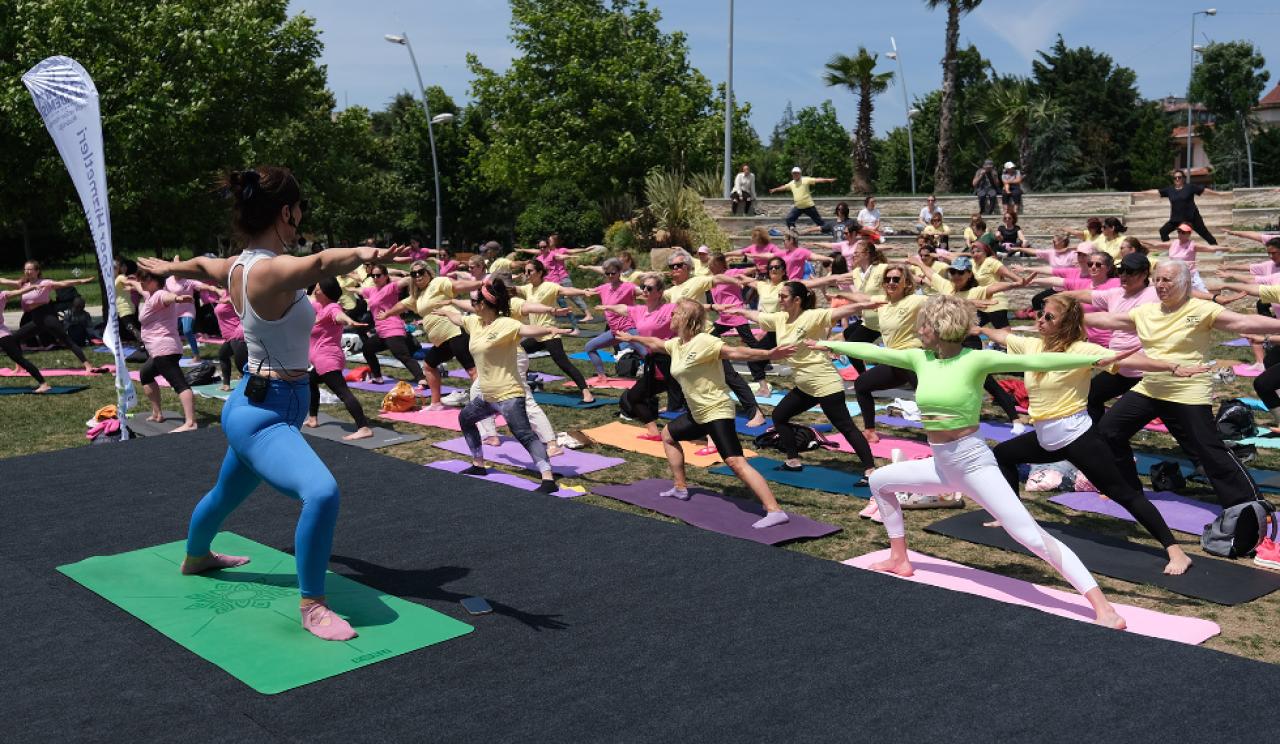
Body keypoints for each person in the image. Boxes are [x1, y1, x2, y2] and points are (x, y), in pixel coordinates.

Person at [144, 166, 411, 642]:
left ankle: (196, 557)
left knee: (225, 495)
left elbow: (205, 265)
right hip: (263, 415)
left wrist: (170, 268)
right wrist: (367, 253)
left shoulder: (238, 265)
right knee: (322, 492)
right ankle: (312, 604)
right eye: (300, 210)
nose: (301, 218)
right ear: (286, 212)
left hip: (255, 403)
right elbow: (321, 263)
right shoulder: (268, 269)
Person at [820, 294, 1128, 628]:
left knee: (1030, 535)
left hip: (972, 463)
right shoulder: (920, 359)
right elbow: (875, 351)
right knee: (881, 482)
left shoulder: (975, 360)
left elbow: (1041, 363)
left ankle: (1103, 607)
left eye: (924, 323)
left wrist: (1103, 358)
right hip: (941, 464)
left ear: (939, 328)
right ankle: (899, 558)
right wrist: (824, 343)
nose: (919, 329)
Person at [984, 295, 1198, 575]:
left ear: (1067, 323)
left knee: (1123, 493)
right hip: (1045, 438)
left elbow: (1127, 360)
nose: (1041, 320)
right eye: (1041, 314)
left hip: (1077, 439)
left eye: (1049, 317)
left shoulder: (1080, 349)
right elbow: (1002, 336)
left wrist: (1171, 366)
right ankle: (1011, 517)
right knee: (1002, 455)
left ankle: (1176, 551)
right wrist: (977, 329)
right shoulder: (1034, 345)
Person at [1088, 261, 1280, 510]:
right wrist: (1069, 316)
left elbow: (1243, 323)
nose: (1160, 285)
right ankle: (1129, 491)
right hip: (1152, 387)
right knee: (1109, 431)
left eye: (1167, 280)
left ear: (1185, 283)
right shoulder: (1146, 312)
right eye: (1157, 280)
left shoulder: (1201, 310)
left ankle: (1248, 503)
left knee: (1209, 449)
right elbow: (1110, 320)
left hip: (1187, 390)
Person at [619, 300, 798, 528]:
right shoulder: (678, 344)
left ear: (686, 318)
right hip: (698, 413)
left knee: (735, 462)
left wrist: (769, 353)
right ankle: (681, 487)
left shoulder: (705, 342)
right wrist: (632, 338)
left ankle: (774, 510)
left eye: (675, 313)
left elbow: (735, 351)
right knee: (668, 435)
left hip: (716, 410)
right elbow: (655, 343)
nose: (670, 316)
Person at [721, 283, 878, 478]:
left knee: (845, 426)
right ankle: (793, 461)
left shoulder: (811, 316)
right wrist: (739, 310)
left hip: (824, 383)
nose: (780, 300)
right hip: (805, 386)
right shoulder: (780, 319)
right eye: (779, 295)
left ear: (797, 300)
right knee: (779, 416)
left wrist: (868, 304)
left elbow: (842, 310)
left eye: (784, 296)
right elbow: (757, 316)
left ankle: (871, 470)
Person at [442, 280, 574, 494]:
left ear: (484, 304)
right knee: (465, 418)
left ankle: (548, 478)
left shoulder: (505, 324)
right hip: (487, 395)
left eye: (473, 301)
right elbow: (458, 318)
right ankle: (478, 465)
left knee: (524, 434)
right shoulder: (474, 322)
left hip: (509, 394)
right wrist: (444, 312)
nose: (471, 304)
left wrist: (551, 328)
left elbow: (527, 329)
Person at [908, 255, 1029, 425]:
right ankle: (945, 409)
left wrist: (1016, 283)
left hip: (969, 341)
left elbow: (993, 287)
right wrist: (918, 263)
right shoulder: (947, 286)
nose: (956, 275)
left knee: (986, 381)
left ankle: (1014, 417)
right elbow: (931, 274)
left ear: (969, 274)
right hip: (948, 342)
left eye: (960, 272)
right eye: (953, 271)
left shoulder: (974, 291)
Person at [1057, 253, 1160, 422]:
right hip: (1119, 368)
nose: (1123, 275)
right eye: (1121, 270)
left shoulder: (1154, 295)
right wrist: (1060, 296)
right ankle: (1095, 433)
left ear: (1143, 275)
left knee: (1120, 422)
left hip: (1144, 372)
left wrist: (1215, 297)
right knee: (1090, 396)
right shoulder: (1116, 293)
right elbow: (1087, 295)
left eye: (1129, 271)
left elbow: (1185, 294)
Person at [836, 264, 928, 443]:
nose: (891, 283)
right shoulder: (882, 302)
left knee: (927, 397)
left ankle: (946, 433)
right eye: (887, 279)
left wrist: (975, 302)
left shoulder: (915, 300)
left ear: (906, 283)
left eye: (896, 279)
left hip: (912, 359)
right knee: (862, 384)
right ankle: (869, 431)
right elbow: (861, 297)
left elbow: (943, 300)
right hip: (894, 361)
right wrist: (840, 294)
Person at [376, 260, 485, 409]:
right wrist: (387, 314)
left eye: (421, 272)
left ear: (428, 273)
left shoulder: (438, 282)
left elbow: (457, 286)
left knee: (472, 370)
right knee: (428, 366)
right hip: (442, 341)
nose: (418, 276)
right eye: (414, 274)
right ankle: (436, 403)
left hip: (455, 331)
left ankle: (480, 405)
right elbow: (402, 305)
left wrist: (481, 284)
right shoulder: (418, 296)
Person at [604, 276, 678, 441]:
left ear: (660, 292)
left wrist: (714, 306)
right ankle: (653, 431)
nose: (644, 290)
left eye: (649, 288)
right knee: (635, 396)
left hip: (671, 359)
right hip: (654, 361)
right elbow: (623, 308)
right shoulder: (639, 310)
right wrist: (607, 306)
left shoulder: (670, 308)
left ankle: (712, 438)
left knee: (691, 398)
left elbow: (692, 311)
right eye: (643, 287)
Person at [126, 268, 197, 432]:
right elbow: (139, 287)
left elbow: (168, 297)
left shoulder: (159, 295)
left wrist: (178, 298)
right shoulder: (150, 295)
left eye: (144, 279)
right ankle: (157, 414)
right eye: (140, 279)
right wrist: (129, 282)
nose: (141, 282)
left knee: (179, 384)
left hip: (164, 349)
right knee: (145, 374)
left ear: (154, 281)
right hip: (159, 349)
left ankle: (191, 422)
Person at [516, 259, 595, 402]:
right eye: (525, 271)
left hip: (549, 334)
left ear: (540, 273)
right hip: (535, 334)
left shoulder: (549, 286)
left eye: (530, 271)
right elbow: (510, 289)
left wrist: (583, 291)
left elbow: (567, 291)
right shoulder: (527, 288)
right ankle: (528, 382)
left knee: (563, 363)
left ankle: (585, 391)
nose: (526, 274)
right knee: (518, 352)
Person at [304, 278, 373, 441]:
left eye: (319, 288)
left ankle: (363, 427)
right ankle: (313, 418)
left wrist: (350, 321)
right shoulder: (319, 306)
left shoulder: (331, 307)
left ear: (327, 293)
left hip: (327, 360)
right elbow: (304, 301)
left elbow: (339, 315)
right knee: (310, 381)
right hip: (324, 360)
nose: (315, 290)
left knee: (343, 393)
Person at [0, 261, 99, 373]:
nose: (27, 272)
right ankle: (19, 367)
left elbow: (63, 283)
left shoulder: (44, 283)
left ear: (37, 271)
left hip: (47, 316)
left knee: (66, 340)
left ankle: (88, 365)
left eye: (30, 269)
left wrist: (81, 281)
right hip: (35, 319)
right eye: (25, 269)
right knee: (15, 339)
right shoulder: (23, 284)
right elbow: (3, 280)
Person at [358, 264, 429, 390]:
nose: (375, 278)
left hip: (393, 329)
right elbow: (358, 290)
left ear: (386, 276)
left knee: (403, 356)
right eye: (373, 275)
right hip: (381, 333)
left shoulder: (391, 287)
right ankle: (378, 377)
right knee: (367, 350)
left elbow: (406, 280)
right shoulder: (372, 290)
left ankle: (422, 379)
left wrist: (415, 274)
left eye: (378, 275)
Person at [582, 257, 642, 382]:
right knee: (590, 347)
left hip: (628, 328)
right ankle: (601, 376)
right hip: (614, 331)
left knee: (647, 353)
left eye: (613, 273)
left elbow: (644, 292)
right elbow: (587, 291)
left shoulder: (628, 287)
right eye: (607, 273)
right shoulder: (604, 287)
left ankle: (661, 376)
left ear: (620, 272)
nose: (610, 276)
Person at [517, 235, 594, 325]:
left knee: (573, 297)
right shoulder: (540, 257)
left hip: (560, 279)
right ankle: (550, 321)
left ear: (551, 243)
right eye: (540, 247)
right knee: (556, 302)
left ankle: (582, 318)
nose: (542, 248)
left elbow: (563, 255)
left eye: (545, 245)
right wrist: (523, 250)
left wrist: (579, 253)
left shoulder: (556, 252)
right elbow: (534, 251)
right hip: (548, 283)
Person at [1137, 169, 1226, 244]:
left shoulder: (1190, 187)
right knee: (1163, 231)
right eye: (1175, 178)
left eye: (1179, 177)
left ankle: (1217, 249)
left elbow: (1204, 191)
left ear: (1183, 178)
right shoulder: (1169, 190)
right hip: (1176, 219)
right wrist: (1141, 193)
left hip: (1192, 218)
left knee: (1204, 233)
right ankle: (1170, 249)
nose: (1177, 179)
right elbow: (1156, 192)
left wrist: (1219, 194)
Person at [1140, 223, 1229, 292]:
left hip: (1191, 275)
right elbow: (1156, 244)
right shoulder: (1173, 243)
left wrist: (1228, 248)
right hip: (1175, 275)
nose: (1180, 234)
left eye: (1183, 232)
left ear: (1189, 234)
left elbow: (1211, 248)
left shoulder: (1192, 245)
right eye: (1179, 231)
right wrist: (1140, 241)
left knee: (1203, 292)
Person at [0, 284, 56, 392]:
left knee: (19, 359)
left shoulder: (2, 295)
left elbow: (19, 292)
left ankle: (43, 384)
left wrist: (31, 287)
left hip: (2, 334)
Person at [770, 167, 835, 231]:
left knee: (819, 221)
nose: (795, 175)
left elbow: (817, 180)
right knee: (789, 219)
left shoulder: (805, 179)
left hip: (809, 206)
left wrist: (828, 180)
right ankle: (793, 231)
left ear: (800, 174)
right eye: (794, 174)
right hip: (798, 207)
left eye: (796, 173)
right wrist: (775, 189)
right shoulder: (791, 183)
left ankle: (827, 231)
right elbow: (784, 187)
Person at [212, 291, 248, 392]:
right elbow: (211, 287)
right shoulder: (223, 292)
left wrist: (231, 301)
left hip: (238, 332)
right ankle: (226, 384)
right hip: (230, 336)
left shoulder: (236, 293)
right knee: (223, 355)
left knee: (240, 364)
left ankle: (251, 386)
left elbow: (246, 302)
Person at [112, 256, 142, 342]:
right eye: (112, 268)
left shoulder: (121, 277)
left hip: (125, 308)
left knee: (131, 328)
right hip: (122, 308)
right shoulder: (115, 279)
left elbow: (126, 282)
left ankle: (143, 343)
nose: (113, 270)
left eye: (115, 268)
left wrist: (135, 286)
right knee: (131, 327)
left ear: (118, 269)